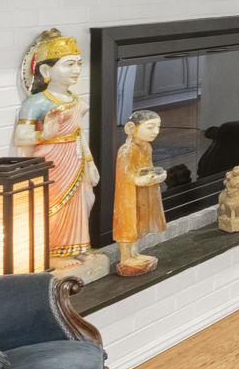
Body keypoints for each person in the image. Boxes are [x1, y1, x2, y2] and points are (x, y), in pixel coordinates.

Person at [14, 28, 96, 266]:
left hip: (76, 158)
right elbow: (23, 136)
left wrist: (90, 163)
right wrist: (44, 133)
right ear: (46, 70)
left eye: (78, 64)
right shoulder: (36, 102)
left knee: (84, 201)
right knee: (53, 206)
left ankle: (75, 247)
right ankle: (51, 254)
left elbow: (79, 133)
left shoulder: (76, 100)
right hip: (51, 162)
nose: (76, 70)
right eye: (68, 64)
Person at [111, 111, 166, 276]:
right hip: (128, 195)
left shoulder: (146, 147)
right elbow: (125, 174)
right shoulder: (126, 150)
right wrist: (139, 180)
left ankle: (134, 253)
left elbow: (147, 167)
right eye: (150, 127)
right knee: (129, 222)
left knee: (140, 221)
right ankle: (126, 256)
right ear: (132, 128)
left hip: (142, 193)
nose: (156, 131)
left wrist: (157, 175)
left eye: (158, 127)